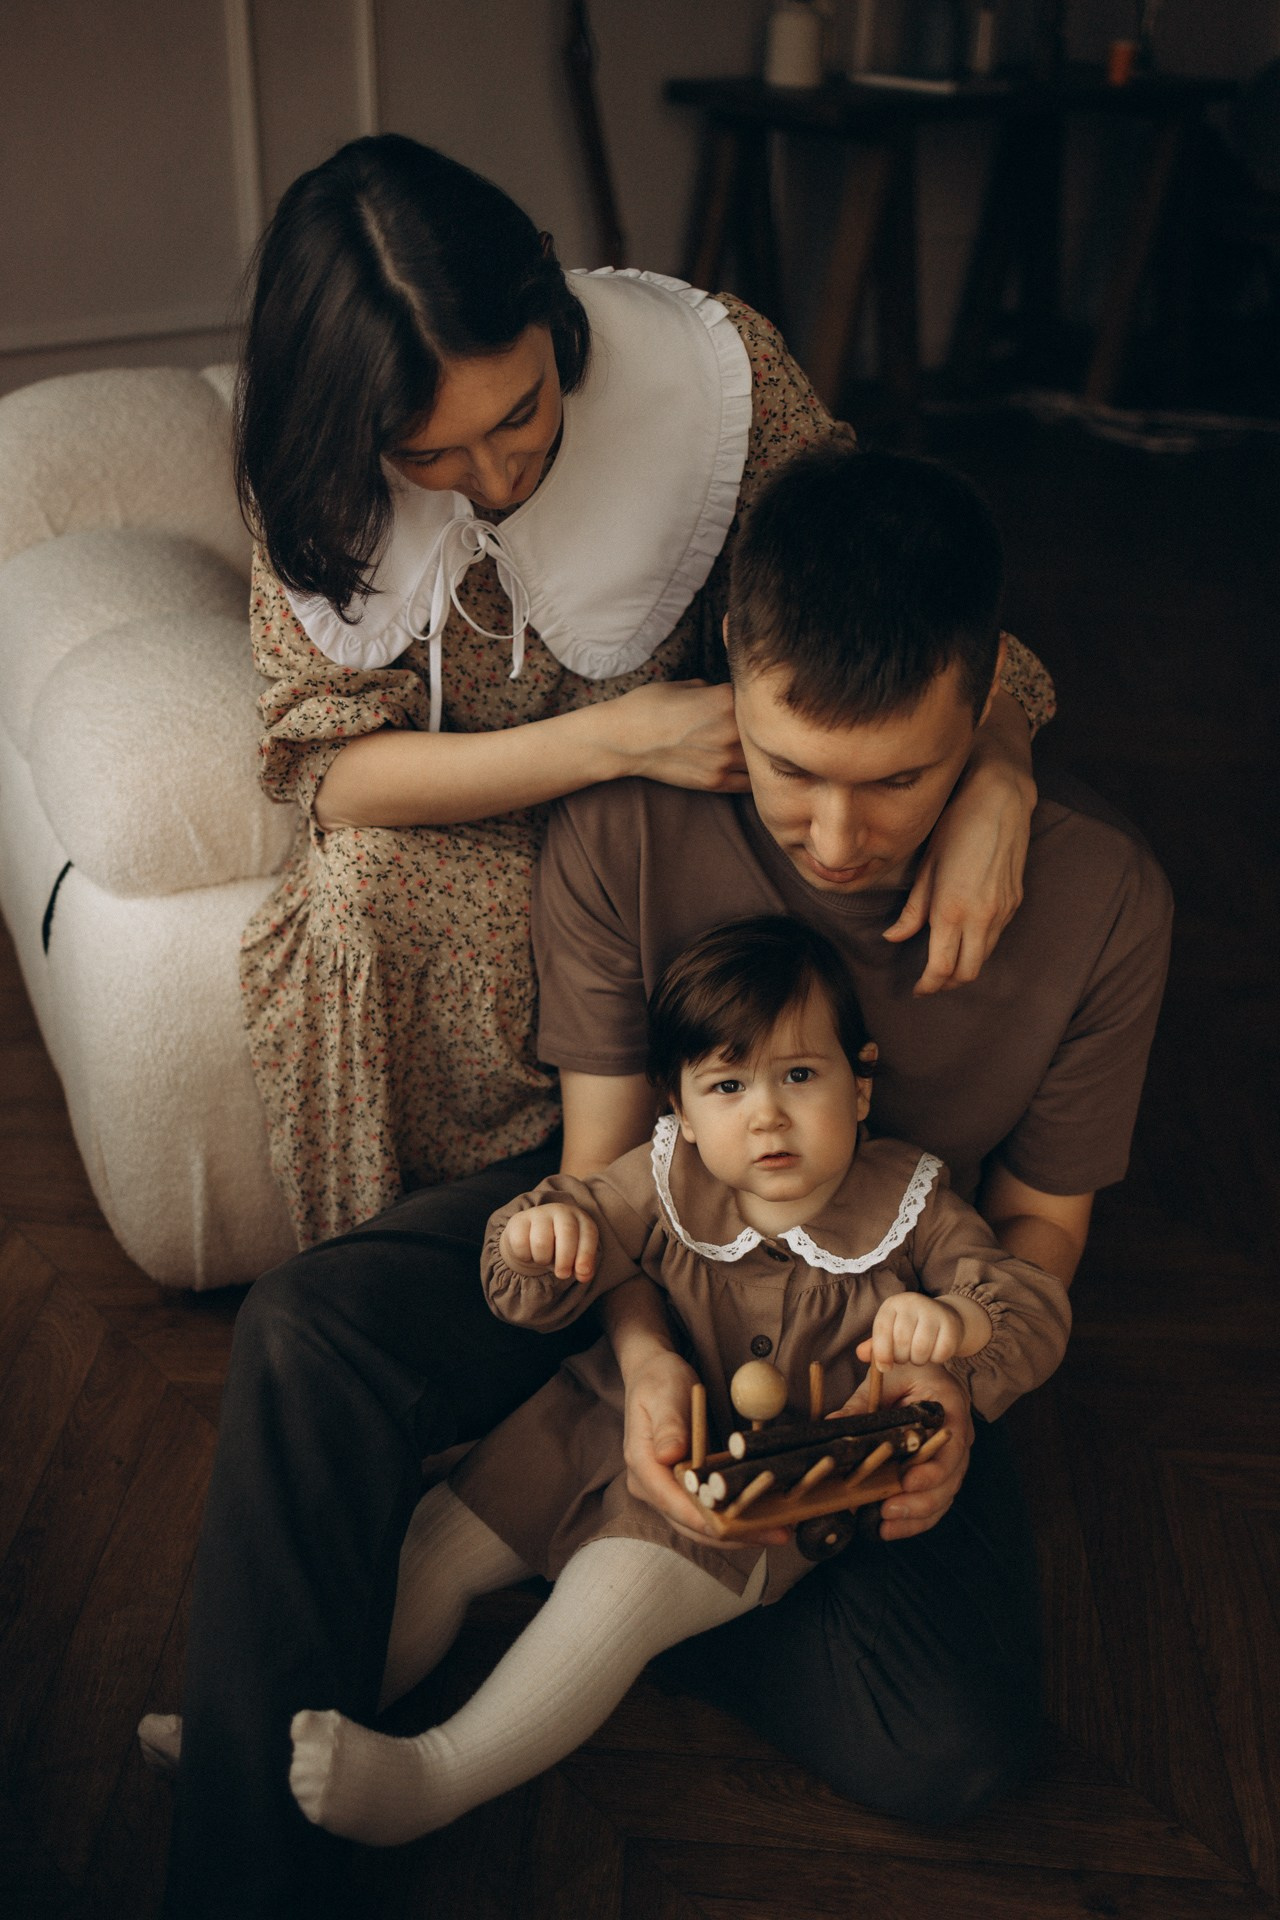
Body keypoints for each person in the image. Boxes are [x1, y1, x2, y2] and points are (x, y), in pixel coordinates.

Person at [156, 443, 1156, 1920]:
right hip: (650, 1237)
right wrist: (637, 1367)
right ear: (736, 674)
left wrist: (953, 1398)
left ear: (983, 710)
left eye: (900, 783)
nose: (833, 837)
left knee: (956, 1749)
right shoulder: (631, 824)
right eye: (793, 770)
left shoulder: (1101, 902)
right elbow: (603, 1168)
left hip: (878, 1329)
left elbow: (1038, 1233)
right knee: (311, 1326)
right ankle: (278, 1775)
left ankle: (621, 1582)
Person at [233, 132, 1053, 1248]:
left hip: (675, 826)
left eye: (520, 413)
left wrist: (999, 768)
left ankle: (786, 1242)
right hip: (479, 823)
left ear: (551, 319)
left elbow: (890, 592)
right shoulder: (312, 473)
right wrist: (615, 739)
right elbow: (329, 777)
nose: (497, 477)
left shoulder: (714, 384)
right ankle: (463, 1255)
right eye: (429, 456)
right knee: (360, 897)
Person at [284, 916, 1072, 1848]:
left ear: (860, 1085)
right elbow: (536, 1259)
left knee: (609, 1601)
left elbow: (1026, 1303)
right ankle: (262, 1733)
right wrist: (545, 1242)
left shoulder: (913, 1205)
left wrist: (956, 1326)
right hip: (590, 1424)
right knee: (435, 1548)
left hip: (748, 1496)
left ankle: (433, 1779)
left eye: (801, 1077)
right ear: (683, 1108)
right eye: (728, 1085)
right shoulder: (664, 1178)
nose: (766, 1114)